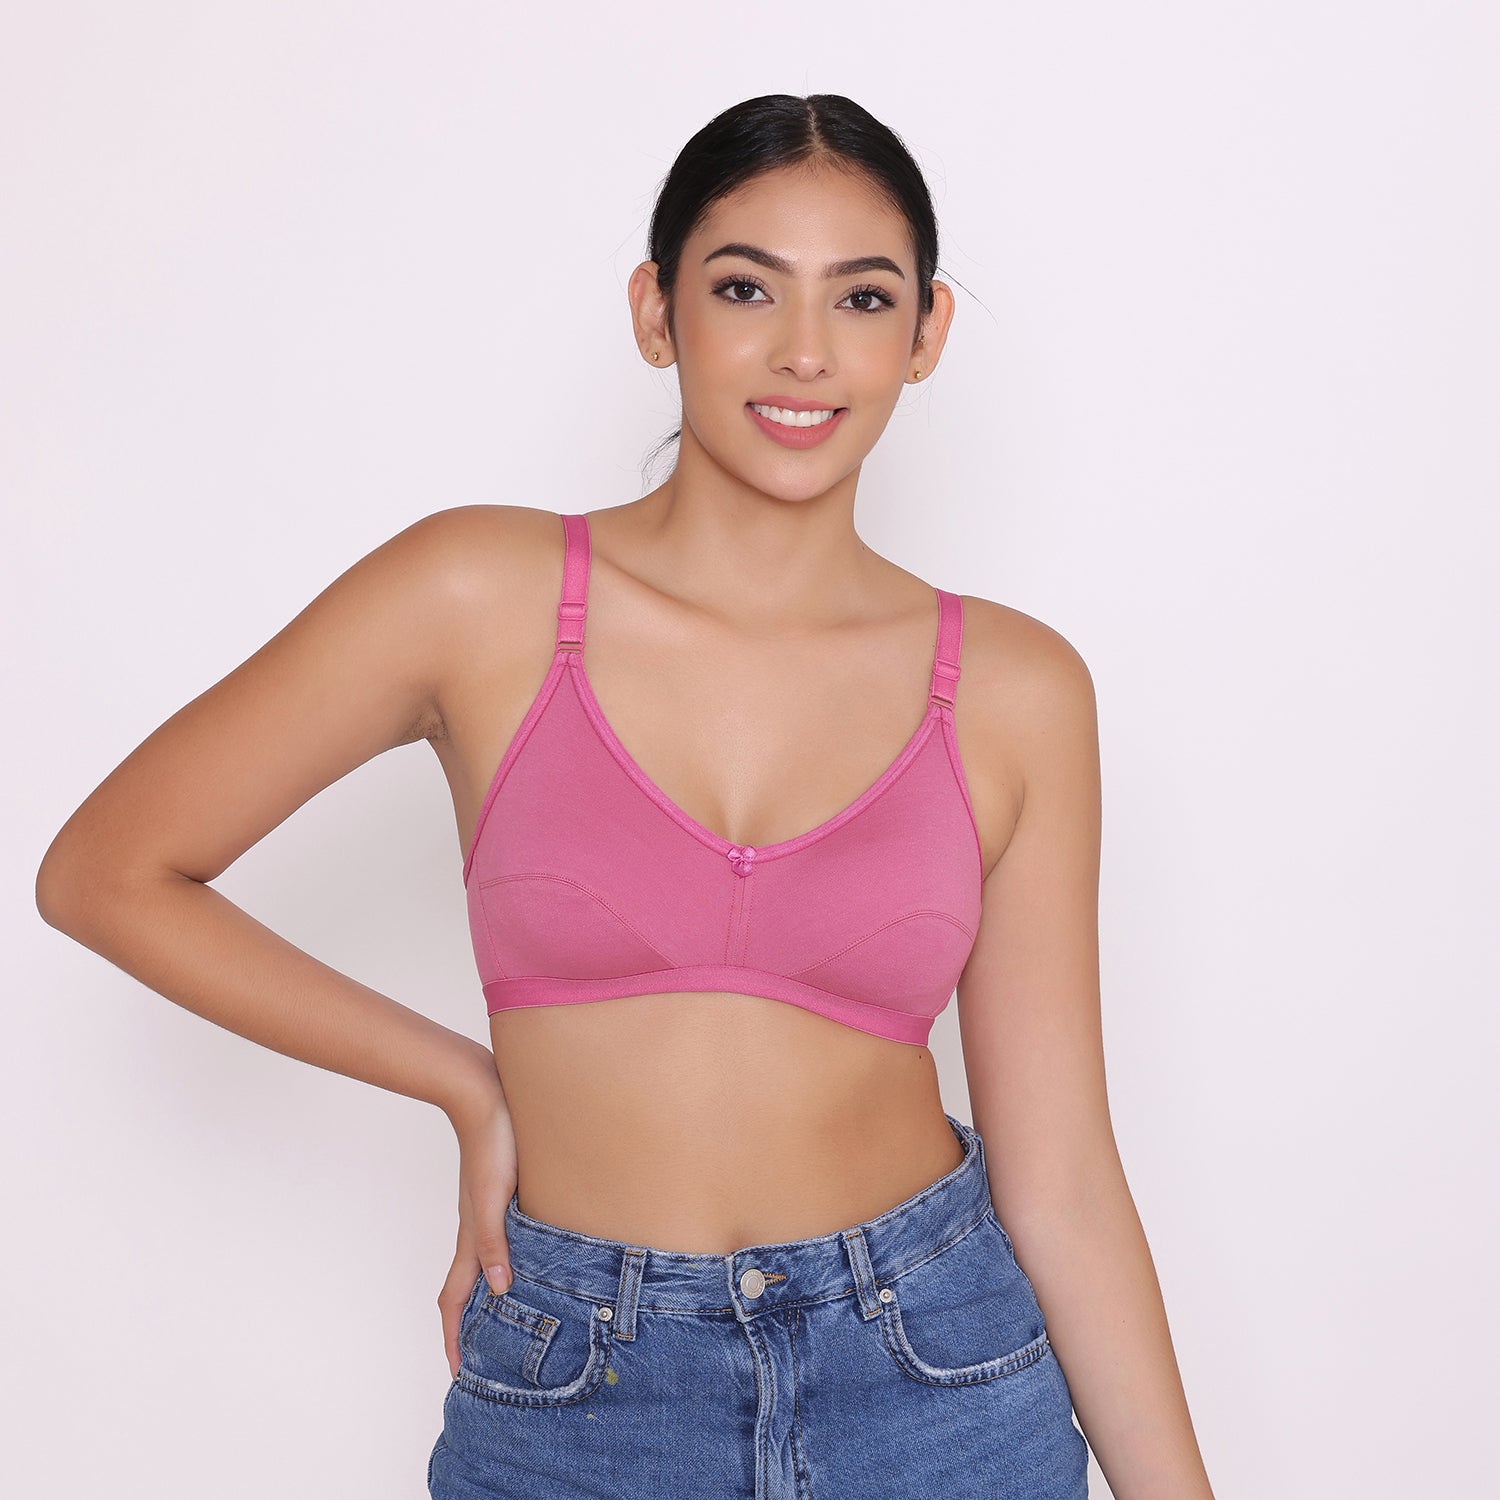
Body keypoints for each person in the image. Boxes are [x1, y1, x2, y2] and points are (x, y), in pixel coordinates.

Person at [35, 93, 1215, 1499]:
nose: (804, 350)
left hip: (934, 1375)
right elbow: (107, 873)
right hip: (581, 1390)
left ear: (926, 334)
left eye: (862, 297)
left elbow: (1064, 1178)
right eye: (744, 288)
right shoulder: (475, 595)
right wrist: (462, 1084)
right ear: (657, 312)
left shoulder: (1017, 689)